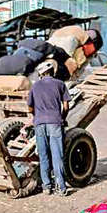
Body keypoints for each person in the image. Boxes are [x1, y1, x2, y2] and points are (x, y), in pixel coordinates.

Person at [27, 59, 70, 196]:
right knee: (57, 155)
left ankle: (46, 187)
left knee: (44, 156)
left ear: (41, 74)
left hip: (39, 124)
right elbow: (66, 106)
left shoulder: (35, 86)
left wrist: (37, 115)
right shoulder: (60, 84)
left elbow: (29, 108)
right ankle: (61, 188)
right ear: (53, 72)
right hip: (55, 123)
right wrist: (62, 117)